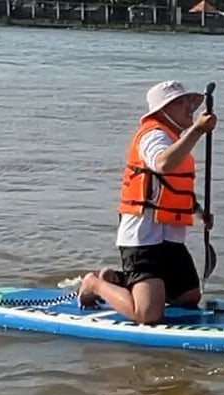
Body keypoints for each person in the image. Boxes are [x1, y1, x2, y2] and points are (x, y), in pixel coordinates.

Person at [78, 81, 216, 325]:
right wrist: (197, 131)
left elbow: (171, 185)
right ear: (163, 110)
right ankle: (95, 283)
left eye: (189, 103)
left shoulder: (173, 138)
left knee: (188, 297)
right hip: (143, 235)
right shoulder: (153, 135)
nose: (189, 107)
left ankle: (118, 279)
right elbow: (162, 164)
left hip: (170, 235)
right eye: (181, 103)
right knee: (149, 315)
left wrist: (198, 211)